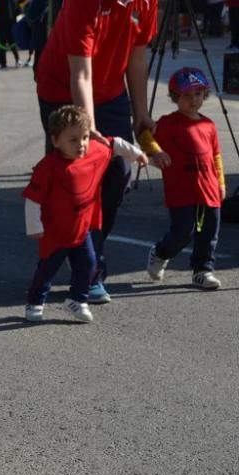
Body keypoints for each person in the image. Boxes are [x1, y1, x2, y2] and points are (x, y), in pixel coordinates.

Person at [34, 0, 158, 304]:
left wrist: (141, 112)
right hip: (62, 92)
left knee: (118, 173)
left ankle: (86, 257)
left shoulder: (147, 2)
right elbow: (81, 74)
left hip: (111, 93)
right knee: (75, 184)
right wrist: (87, 133)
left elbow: (137, 55)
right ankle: (85, 268)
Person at [23, 105, 147, 323]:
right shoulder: (47, 167)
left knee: (89, 264)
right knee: (46, 271)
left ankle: (77, 300)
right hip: (55, 233)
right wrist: (34, 226)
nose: (81, 144)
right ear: (55, 141)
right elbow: (33, 198)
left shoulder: (93, 152)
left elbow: (114, 144)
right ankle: (35, 302)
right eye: (73, 140)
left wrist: (137, 154)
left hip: (82, 230)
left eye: (84, 137)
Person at [139, 68, 225, 290]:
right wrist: (156, 151)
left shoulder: (208, 125)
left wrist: (221, 184)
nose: (193, 100)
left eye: (198, 94)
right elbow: (144, 135)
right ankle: (160, 252)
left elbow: (216, 156)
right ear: (176, 97)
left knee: (209, 233)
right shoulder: (169, 123)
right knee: (182, 233)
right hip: (181, 190)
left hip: (209, 190)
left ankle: (203, 270)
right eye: (187, 95)